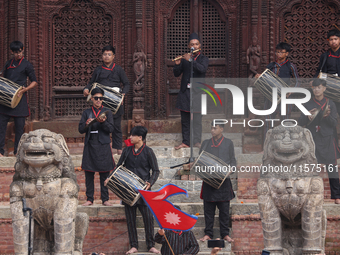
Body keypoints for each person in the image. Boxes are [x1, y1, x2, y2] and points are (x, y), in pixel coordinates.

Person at [105, 126, 160, 254]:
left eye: (132, 135)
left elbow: (156, 171)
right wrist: (109, 178)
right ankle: (134, 245)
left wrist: (150, 183)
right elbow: (118, 167)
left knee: (148, 219)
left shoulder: (148, 152)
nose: (130, 137)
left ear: (140, 137)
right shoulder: (127, 151)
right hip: (127, 191)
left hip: (144, 192)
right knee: (130, 220)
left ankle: (150, 245)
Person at [298, 79, 340, 204]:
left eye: (319, 87)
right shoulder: (307, 104)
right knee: (311, 168)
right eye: (314, 87)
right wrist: (307, 115)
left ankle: (337, 196)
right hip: (313, 138)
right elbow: (301, 123)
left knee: (332, 168)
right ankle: (309, 196)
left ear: (324, 88)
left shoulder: (330, 103)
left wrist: (325, 116)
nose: (316, 89)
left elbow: (334, 123)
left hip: (328, 138)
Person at [83, 45, 130, 155]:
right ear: (102, 56)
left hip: (115, 102)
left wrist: (123, 95)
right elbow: (91, 83)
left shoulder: (118, 69)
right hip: (101, 102)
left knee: (116, 127)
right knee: (102, 125)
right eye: (105, 54)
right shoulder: (98, 70)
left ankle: (118, 150)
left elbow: (127, 84)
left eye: (109, 54)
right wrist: (86, 89)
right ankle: (103, 148)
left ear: (113, 56)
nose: (107, 56)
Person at [199, 123, 235, 243]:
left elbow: (233, 161)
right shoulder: (206, 143)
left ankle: (225, 234)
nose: (212, 130)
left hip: (224, 182)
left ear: (222, 129)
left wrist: (229, 171)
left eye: (215, 128)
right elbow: (200, 160)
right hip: (209, 181)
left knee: (224, 211)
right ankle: (208, 233)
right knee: (208, 210)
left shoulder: (228, 143)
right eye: (211, 128)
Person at [79, 87, 115, 206]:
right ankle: (90, 199)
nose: (98, 100)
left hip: (103, 144)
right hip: (90, 143)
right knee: (89, 173)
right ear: (92, 99)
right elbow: (80, 130)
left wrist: (103, 122)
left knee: (104, 173)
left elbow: (111, 129)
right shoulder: (86, 112)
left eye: (101, 98)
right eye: (96, 98)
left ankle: (105, 199)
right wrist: (87, 124)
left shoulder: (107, 112)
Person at [0, 41, 37, 157]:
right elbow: (3, 79)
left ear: (23, 49)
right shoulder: (8, 63)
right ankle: (0, 151)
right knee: (1, 126)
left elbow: (34, 82)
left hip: (19, 98)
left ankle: (17, 151)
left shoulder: (27, 64)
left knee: (20, 127)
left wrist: (24, 90)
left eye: (20, 51)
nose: (18, 54)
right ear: (12, 52)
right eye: (16, 52)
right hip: (6, 100)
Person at [173, 33, 209, 150]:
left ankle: (197, 141)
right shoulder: (184, 59)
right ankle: (186, 142)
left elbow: (202, 69)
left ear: (200, 46)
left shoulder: (203, 59)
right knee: (185, 119)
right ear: (189, 46)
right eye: (192, 44)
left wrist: (191, 61)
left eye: (196, 44)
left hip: (198, 92)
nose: (194, 46)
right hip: (185, 92)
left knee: (197, 119)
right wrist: (177, 65)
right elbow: (176, 73)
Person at [255, 42, 299, 135]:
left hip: (285, 98)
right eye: (277, 52)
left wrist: (291, 90)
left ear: (287, 53)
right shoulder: (271, 66)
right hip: (270, 97)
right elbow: (264, 79)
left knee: (285, 121)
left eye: (281, 52)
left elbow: (297, 81)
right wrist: (259, 76)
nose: (279, 54)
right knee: (268, 122)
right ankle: (266, 147)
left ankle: (286, 146)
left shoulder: (291, 66)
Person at [314, 29, 340, 115]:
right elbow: (319, 70)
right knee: (329, 112)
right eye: (331, 39)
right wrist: (314, 81)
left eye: (336, 39)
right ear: (328, 41)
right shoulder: (325, 56)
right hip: (328, 88)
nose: (333, 41)